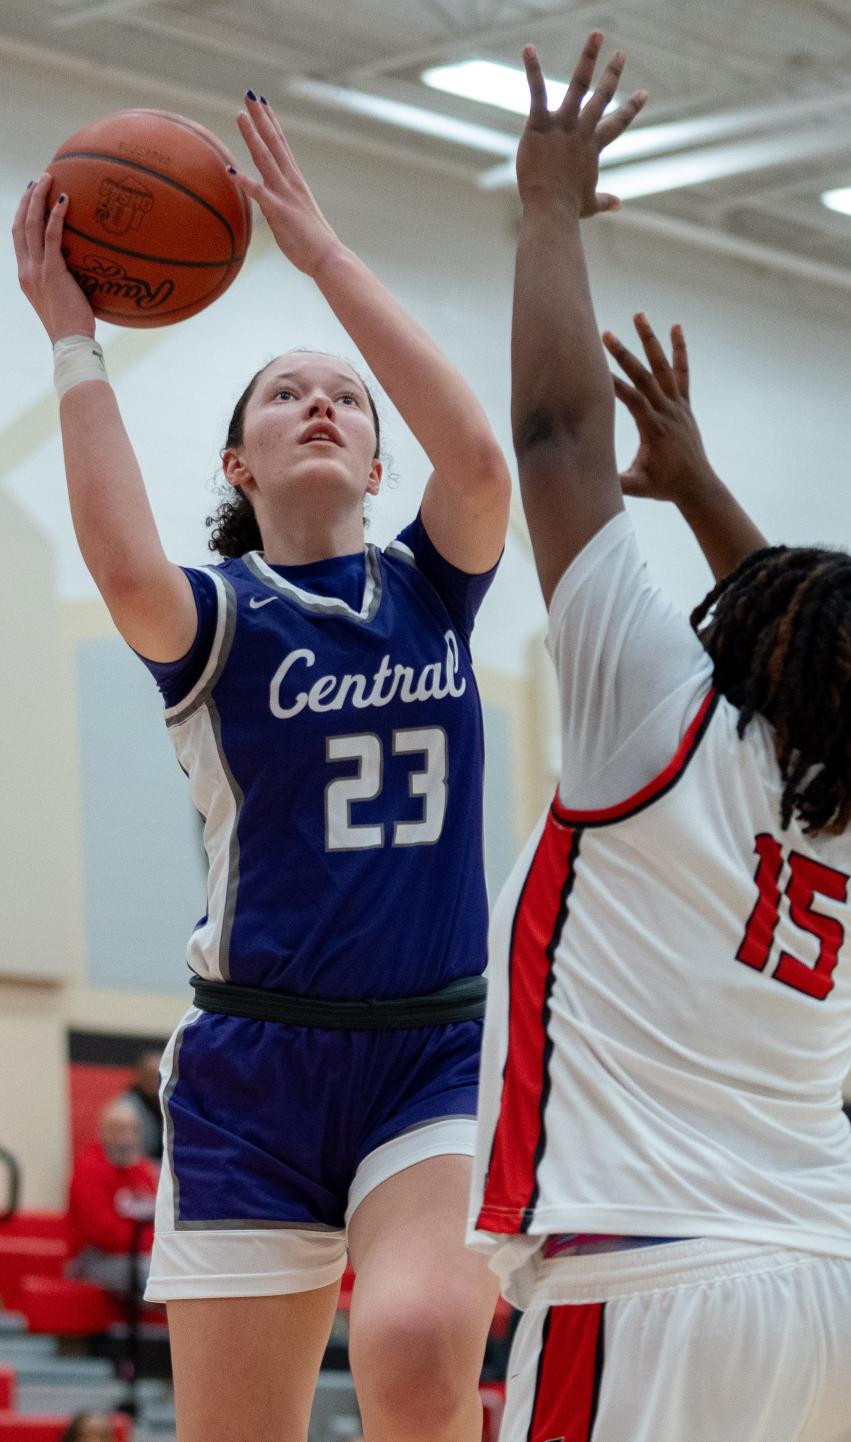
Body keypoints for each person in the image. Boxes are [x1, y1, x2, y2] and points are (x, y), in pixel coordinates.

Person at [13, 90, 509, 1442]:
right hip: (251, 1066)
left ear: (374, 451)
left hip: (432, 1050)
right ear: (240, 457)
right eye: (287, 389)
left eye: (345, 395)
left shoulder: (433, 587)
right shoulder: (219, 619)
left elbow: (477, 455)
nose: (322, 400)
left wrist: (325, 260)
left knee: (414, 1343)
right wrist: (72, 334)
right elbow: (117, 560)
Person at [467, 32, 851, 1442]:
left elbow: (554, 437)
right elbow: (817, 653)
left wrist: (548, 208)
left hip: (649, 1278)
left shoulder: (652, 722)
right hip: (847, 1294)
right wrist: (704, 485)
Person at [66, 1099, 157, 1298]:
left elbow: (159, 1220)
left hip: (140, 1256)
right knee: (152, 1274)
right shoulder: (89, 1170)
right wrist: (149, 1245)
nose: (127, 1137)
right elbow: (101, 1233)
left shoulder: (144, 1171)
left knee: (169, 1272)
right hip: (94, 1259)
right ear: (103, 1132)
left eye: (134, 1130)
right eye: (118, 1129)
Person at [121, 1050, 163, 1162]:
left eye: (157, 1077)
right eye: (148, 1076)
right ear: (139, 1076)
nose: (153, 1082)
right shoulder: (126, 1107)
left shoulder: (172, 1103)